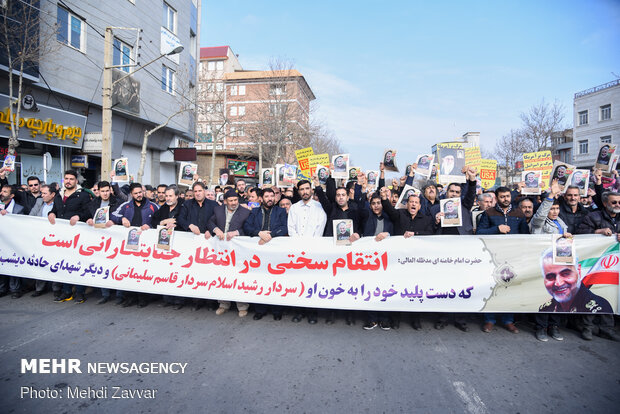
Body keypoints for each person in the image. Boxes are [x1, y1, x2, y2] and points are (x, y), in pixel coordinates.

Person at [380, 187, 434, 330]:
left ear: (420, 206)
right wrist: (384, 198)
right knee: (397, 288)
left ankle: (415, 319)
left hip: (417, 261)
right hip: (399, 260)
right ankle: (395, 319)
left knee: (415, 289)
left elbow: (430, 234)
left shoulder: (426, 219)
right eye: (411, 202)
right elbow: (388, 209)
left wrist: (415, 233)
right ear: (407, 203)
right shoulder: (399, 214)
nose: (413, 204)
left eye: (416, 202)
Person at [477, 186, 529, 334]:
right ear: (496, 198)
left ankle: (508, 320)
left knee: (510, 289)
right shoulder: (488, 213)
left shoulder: (519, 213)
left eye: (508, 196)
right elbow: (480, 232)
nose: (506, 199)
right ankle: (489, 320)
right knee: (492, 288)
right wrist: (496, 229)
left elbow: (525, 235)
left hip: (513, 257)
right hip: (493, 257)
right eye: (502, 197)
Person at [528, 180, 570, 341]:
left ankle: (554, 326)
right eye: (552, 208)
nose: (554, 211)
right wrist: (551, 195)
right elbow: (540, 215)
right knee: (544, 298)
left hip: (560, 264)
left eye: (557, 208)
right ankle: (541, 328)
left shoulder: (560, 222)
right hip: (544, 265)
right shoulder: (538, 223)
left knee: (558, 297)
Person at [576, 191, 620, 341]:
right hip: (595, 265)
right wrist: (597, 232)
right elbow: (580, 234)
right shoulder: (593, 216)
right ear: (606, 203)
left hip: (614, 266)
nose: (617, 205)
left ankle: (607, 328)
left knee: (610, 295)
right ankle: (587, 327)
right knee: (593, 294)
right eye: (614, 202)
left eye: (619, 202)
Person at [110, 183, 159, 308]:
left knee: (142, 272)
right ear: (131, 194)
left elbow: (159, 221)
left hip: (145, 246)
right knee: (128, 271)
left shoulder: (153, 206)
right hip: (129, 244)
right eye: (136, 193)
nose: (139, 195)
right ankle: (129, 297)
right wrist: (121, 219)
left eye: (140, 192)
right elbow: (113, 215)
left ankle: (142, 298)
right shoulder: (125, 206)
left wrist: (151, 226)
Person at [243, 187, 288, 320]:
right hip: (259, 252)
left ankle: (277, 310)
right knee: (260, 279)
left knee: (276, 280)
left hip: (275, 252)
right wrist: (259, 233)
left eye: (272, 196)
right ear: (261, 198)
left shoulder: (280, 211)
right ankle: (260, 310)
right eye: (267, 196)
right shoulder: (255, 211)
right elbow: (247, 227)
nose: (270, 199)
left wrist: (269, 236)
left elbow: (284, 227)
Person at [48, 170, 92, 303]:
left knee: (77, 264)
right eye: (66, 178)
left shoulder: (83, 195)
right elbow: (55, 210)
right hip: (61, 237)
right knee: (64, 263)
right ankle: (66, 291)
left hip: (77, 236)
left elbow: (88, 213)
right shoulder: (58, 196)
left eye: (71, 179)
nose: (68, 181)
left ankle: (80, 292)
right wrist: (51, 213)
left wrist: (79, 217)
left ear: (76, 181)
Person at [288, 180, 327, 324]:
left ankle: (312, 313)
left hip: (313, 251)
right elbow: (291, 228)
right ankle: (299, 311)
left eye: (307, 189)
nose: (305, 191)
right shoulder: (294, 208)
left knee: (312, 283)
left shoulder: (319, 207)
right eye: (302, 189)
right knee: (298, 282)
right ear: (298, 191)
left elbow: (320, 229)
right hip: (297, 251)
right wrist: (299, 245)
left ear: (311, 190)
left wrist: (309, 247)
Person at [208, 189, 251, 317]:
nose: (233, 203)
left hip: (237, 251)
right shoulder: (218, 210)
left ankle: (242, 306)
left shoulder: (245, 212)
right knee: (222, 276)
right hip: (221, 250)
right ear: (225, 201)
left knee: (238, 278)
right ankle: (223, 304)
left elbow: (248, 229)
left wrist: (236, 232)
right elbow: (210, 222)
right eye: (231, 201)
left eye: (236, 200)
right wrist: (215, 230)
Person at [362, 193, 395, 331]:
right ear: (370, 206)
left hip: (386, 260)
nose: (376, 206)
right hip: (370, 260)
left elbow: (397, 232)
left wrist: (388, 234)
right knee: (371, 288)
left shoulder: (390, 218)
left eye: (379, 203)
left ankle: (385, 318)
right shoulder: (366, 217)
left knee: (385, 288)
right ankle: (372, 318)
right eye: (373, 203)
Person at [28, 184, 59, 297]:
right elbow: (31, 216)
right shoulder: (39, 202)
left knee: (54, 263)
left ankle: (56, 288)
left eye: (45, 193)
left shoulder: (58, 203)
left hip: (54, 238)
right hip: (40, 237)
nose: (42, 195)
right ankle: (39, 288)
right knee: (40, 262)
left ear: (52, 194)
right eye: (42, 193)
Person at [0, 184, 26, 298]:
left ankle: (15, 289)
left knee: (13, 264)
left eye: (5, 192)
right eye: (2, 191)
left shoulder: (19, 209)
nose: (2, 193)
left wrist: (8, 215)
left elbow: (20, 225)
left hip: (13, 242)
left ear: (12, 195)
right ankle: (2, 288)